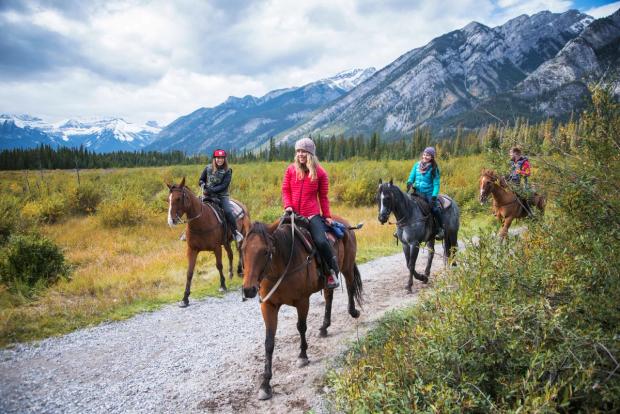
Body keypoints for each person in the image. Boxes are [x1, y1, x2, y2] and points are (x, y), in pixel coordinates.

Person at [281, 137, 340, 289]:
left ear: (311, 154)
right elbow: (285, 190)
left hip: (311, 215)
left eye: (304, 151)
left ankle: (332, 272)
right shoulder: (291, 170)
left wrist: (326, 216)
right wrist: (288, 205)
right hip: (292, 213)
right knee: (276, 237)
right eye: (298, 151)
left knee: (321, 241)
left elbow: (324, 197)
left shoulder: (320, 173)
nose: (300, 154)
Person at [199, 149, 244, 243]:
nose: (220, 160)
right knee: (195, 208)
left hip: (222, 196)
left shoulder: (228, 171)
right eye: (218, 158)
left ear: (224, 159)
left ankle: (235, 232)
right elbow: (201, 179)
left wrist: (212, 190)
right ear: (214, 159)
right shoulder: (208, 168)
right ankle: (187, 232)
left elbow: (224, 185)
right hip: (207, 195)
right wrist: (202, 184)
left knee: (227, 211)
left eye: (222, 158)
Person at [406, 147, 444, 240]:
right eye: (424, 154)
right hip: (417, 192)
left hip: (428, 193)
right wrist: (410, 182)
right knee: (405, 204)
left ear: (432, 157)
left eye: (428, 155)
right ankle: (402, 227)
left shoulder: (434, 168)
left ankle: (440, 229)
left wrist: (434, 196)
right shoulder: (416, 165)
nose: (425, 156)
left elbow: (436, 184)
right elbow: (411, 177)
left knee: (434, 209)